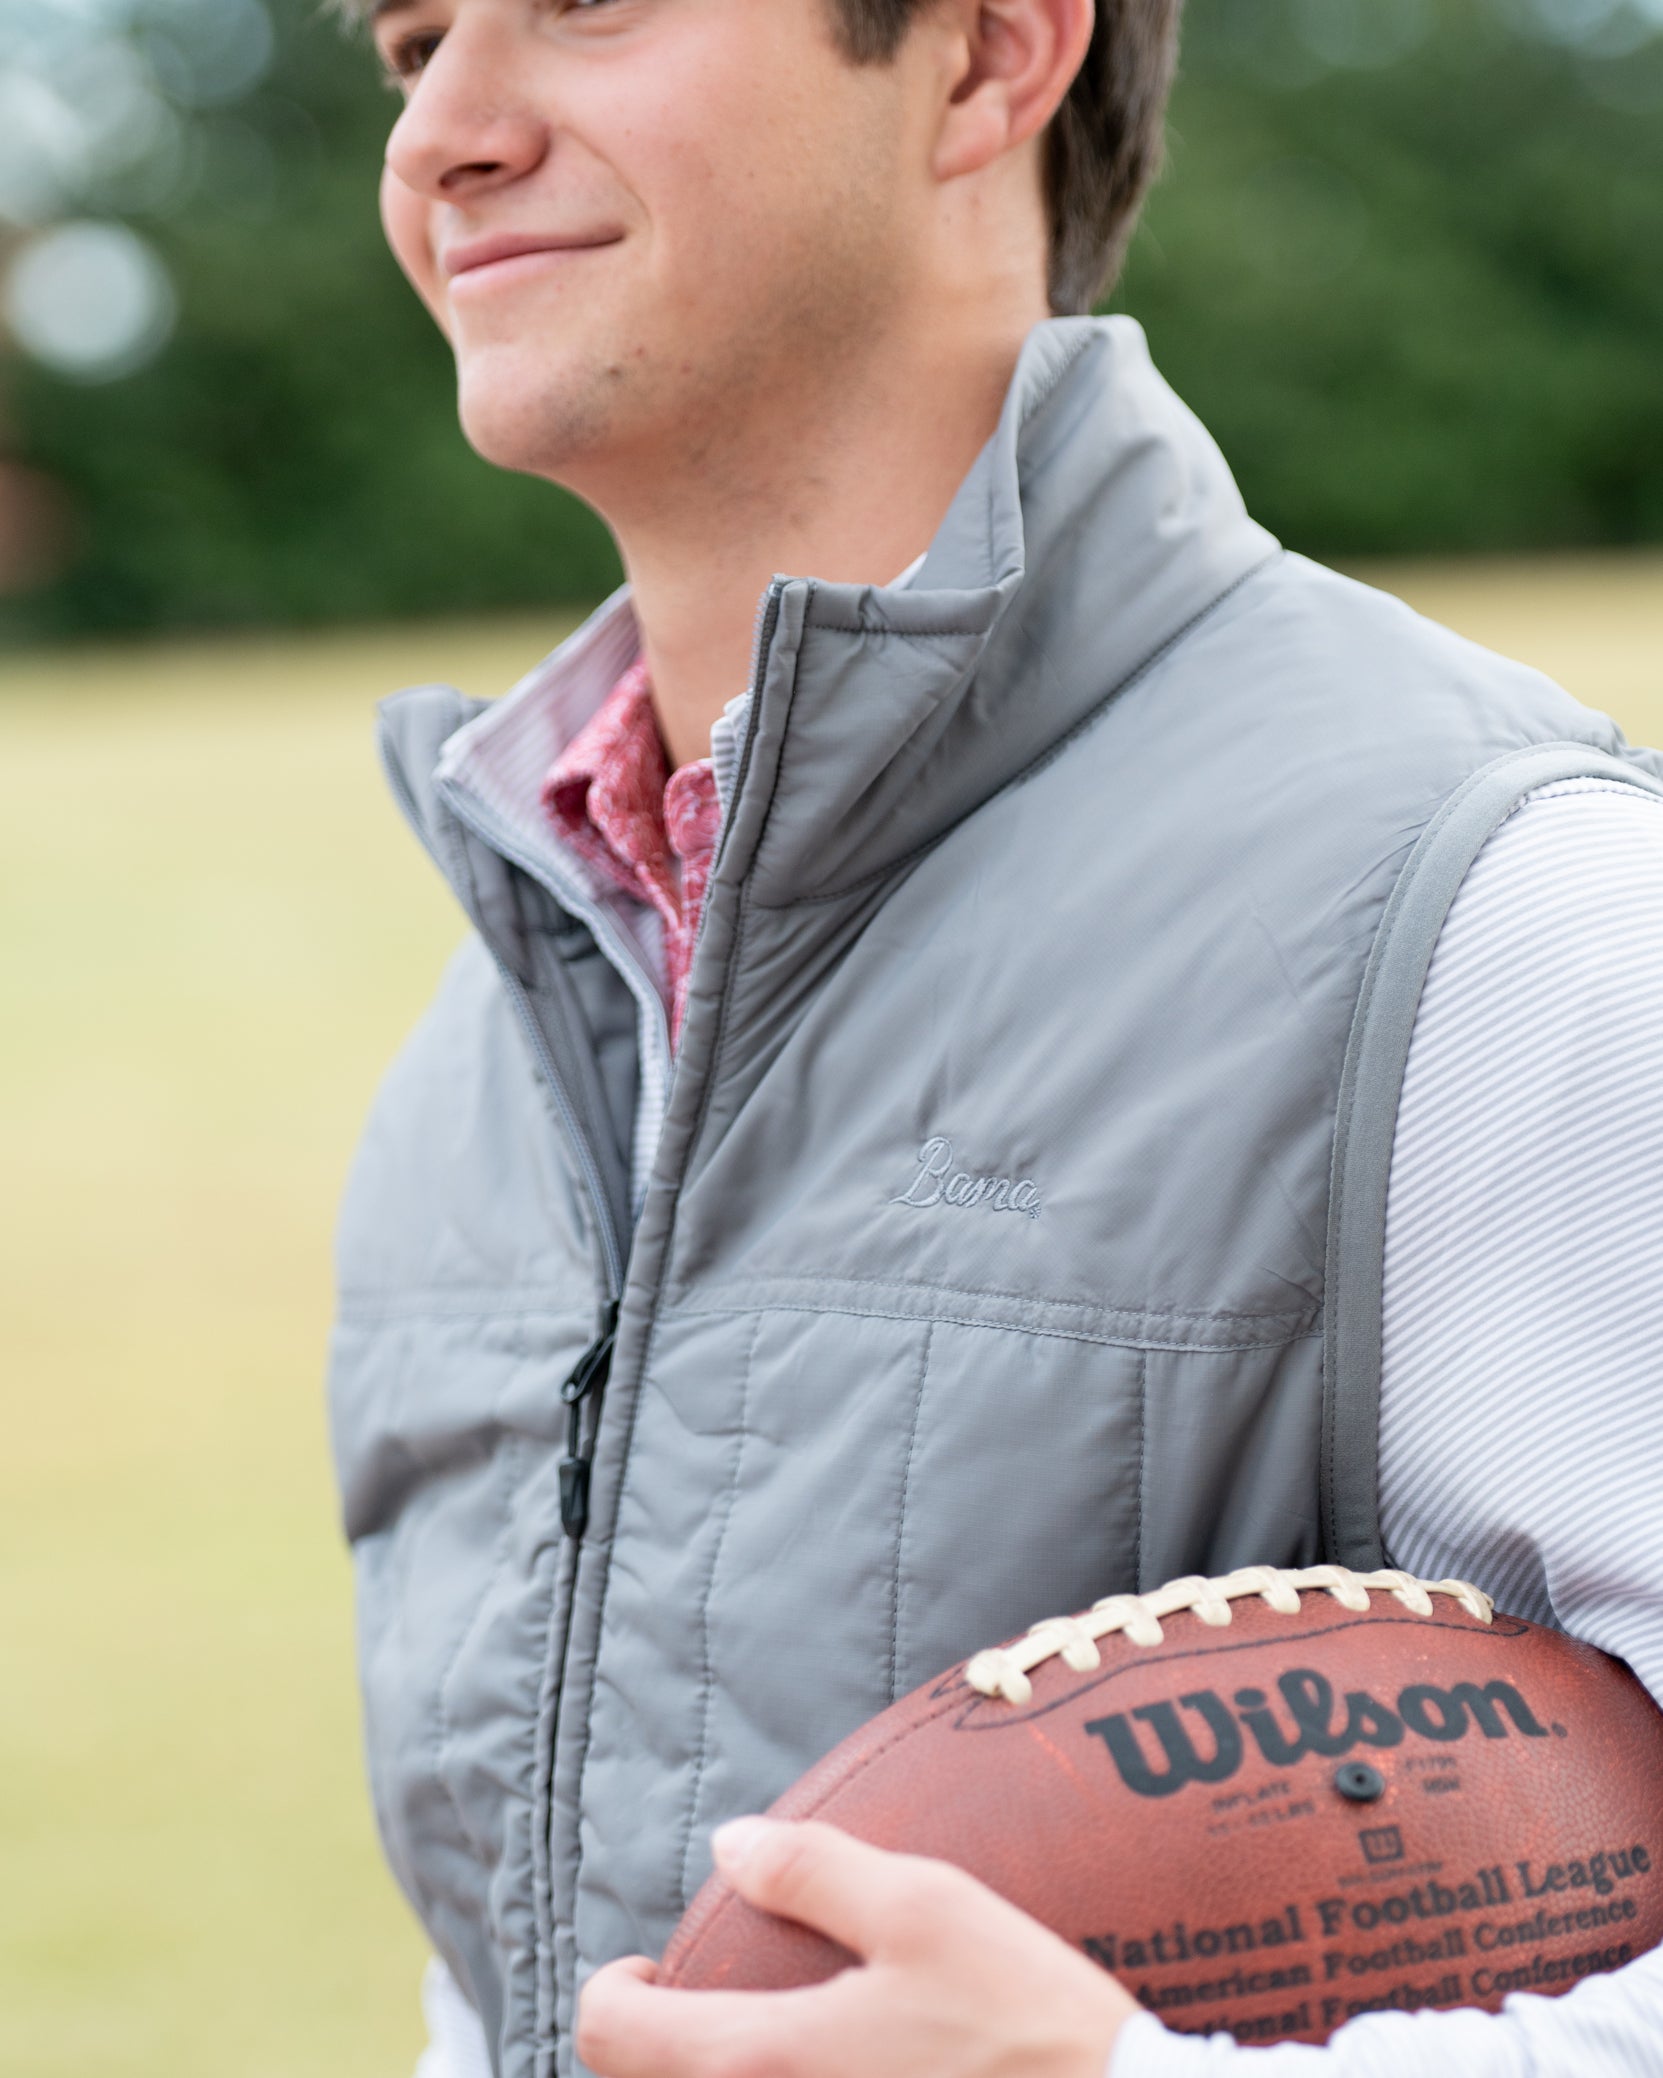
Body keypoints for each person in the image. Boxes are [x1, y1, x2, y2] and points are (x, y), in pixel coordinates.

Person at [325, 1, 1663, 2074]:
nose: (446, 135)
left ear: (985, 57)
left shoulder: (1503, 913)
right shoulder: (495, 1039)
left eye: (583, 3)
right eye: (414, 37)